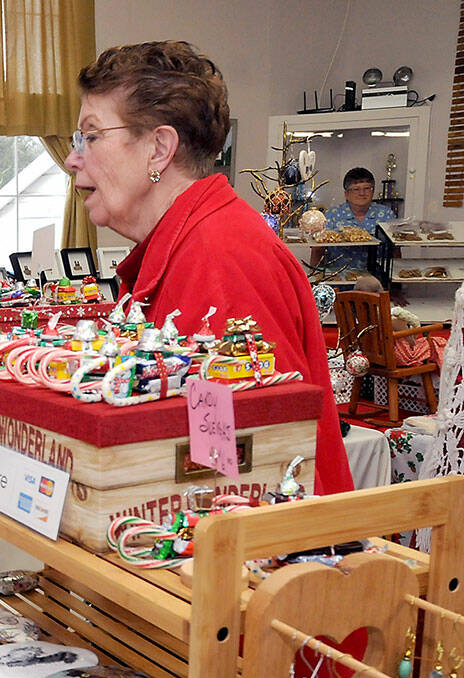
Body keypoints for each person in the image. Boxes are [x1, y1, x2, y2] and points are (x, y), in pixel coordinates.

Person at [66, 40, 352, 494]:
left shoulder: (218, 259)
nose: (72, 158)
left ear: (158, 148)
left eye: (91, 136)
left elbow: (245, 469)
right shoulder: (190, 245)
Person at [308, 167, 397, 273]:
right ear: (346, 194)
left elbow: (395, 249)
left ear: (373, 191)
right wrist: (314, 277)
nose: (362, 193)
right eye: (356, 189)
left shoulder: (386, 215)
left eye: (367, 188)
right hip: (338, 279)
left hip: (377, 281)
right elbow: (318, 249)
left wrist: (397, 282)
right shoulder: (332, 215)